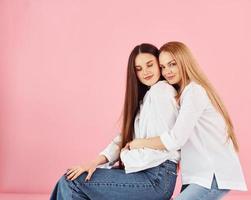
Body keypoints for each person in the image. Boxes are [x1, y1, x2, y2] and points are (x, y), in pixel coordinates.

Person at [49, 43, 180, 200]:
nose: (145, 72)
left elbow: (169, 142)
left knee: (73, 182)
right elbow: (124, 139)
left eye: (150, 65)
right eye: (138, 69)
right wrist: (94, 162)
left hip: (157, 177)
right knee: (71, 179)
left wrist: (131, 149)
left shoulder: (162, 91)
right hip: (149, 174)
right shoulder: (145, 100)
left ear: (159, 65)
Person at [128, 41, 247, 200]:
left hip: (212, 175)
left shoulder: (194, 92)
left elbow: (176, 139)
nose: (167, 71)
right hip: (197, 175)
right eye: (163, 67)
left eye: (172, 64)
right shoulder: (182, 94)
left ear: (184, 62)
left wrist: (139, 143)